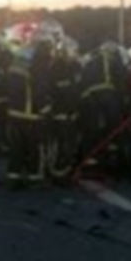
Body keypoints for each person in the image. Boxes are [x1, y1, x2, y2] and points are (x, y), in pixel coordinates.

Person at [4, 28, 53, 190]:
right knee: (35, 147)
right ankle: (35, 178)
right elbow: (40, 86)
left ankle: (13, 177)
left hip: (14, 111)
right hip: (31, 113)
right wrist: (45, 108)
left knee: (16, 147)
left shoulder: (19, 57)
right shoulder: (40, 60)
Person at [77, 40, 129, 171]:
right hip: (107, 96)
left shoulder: (89, 61)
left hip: (88, 98)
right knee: (114, 129)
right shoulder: (113, 60)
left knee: (91, 129)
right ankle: (113, 159)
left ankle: (88, 160)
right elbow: (122, 79)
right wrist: (124, 100)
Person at [48, 36, 81, 185]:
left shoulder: (73, 67)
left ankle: (64, 173)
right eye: (73, 51)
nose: (75, 54)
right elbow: (62, 92)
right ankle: (57, 175)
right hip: (60, 114)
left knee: (69, 145)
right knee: (61, 145)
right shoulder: (57, 68)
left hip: (70, 114)